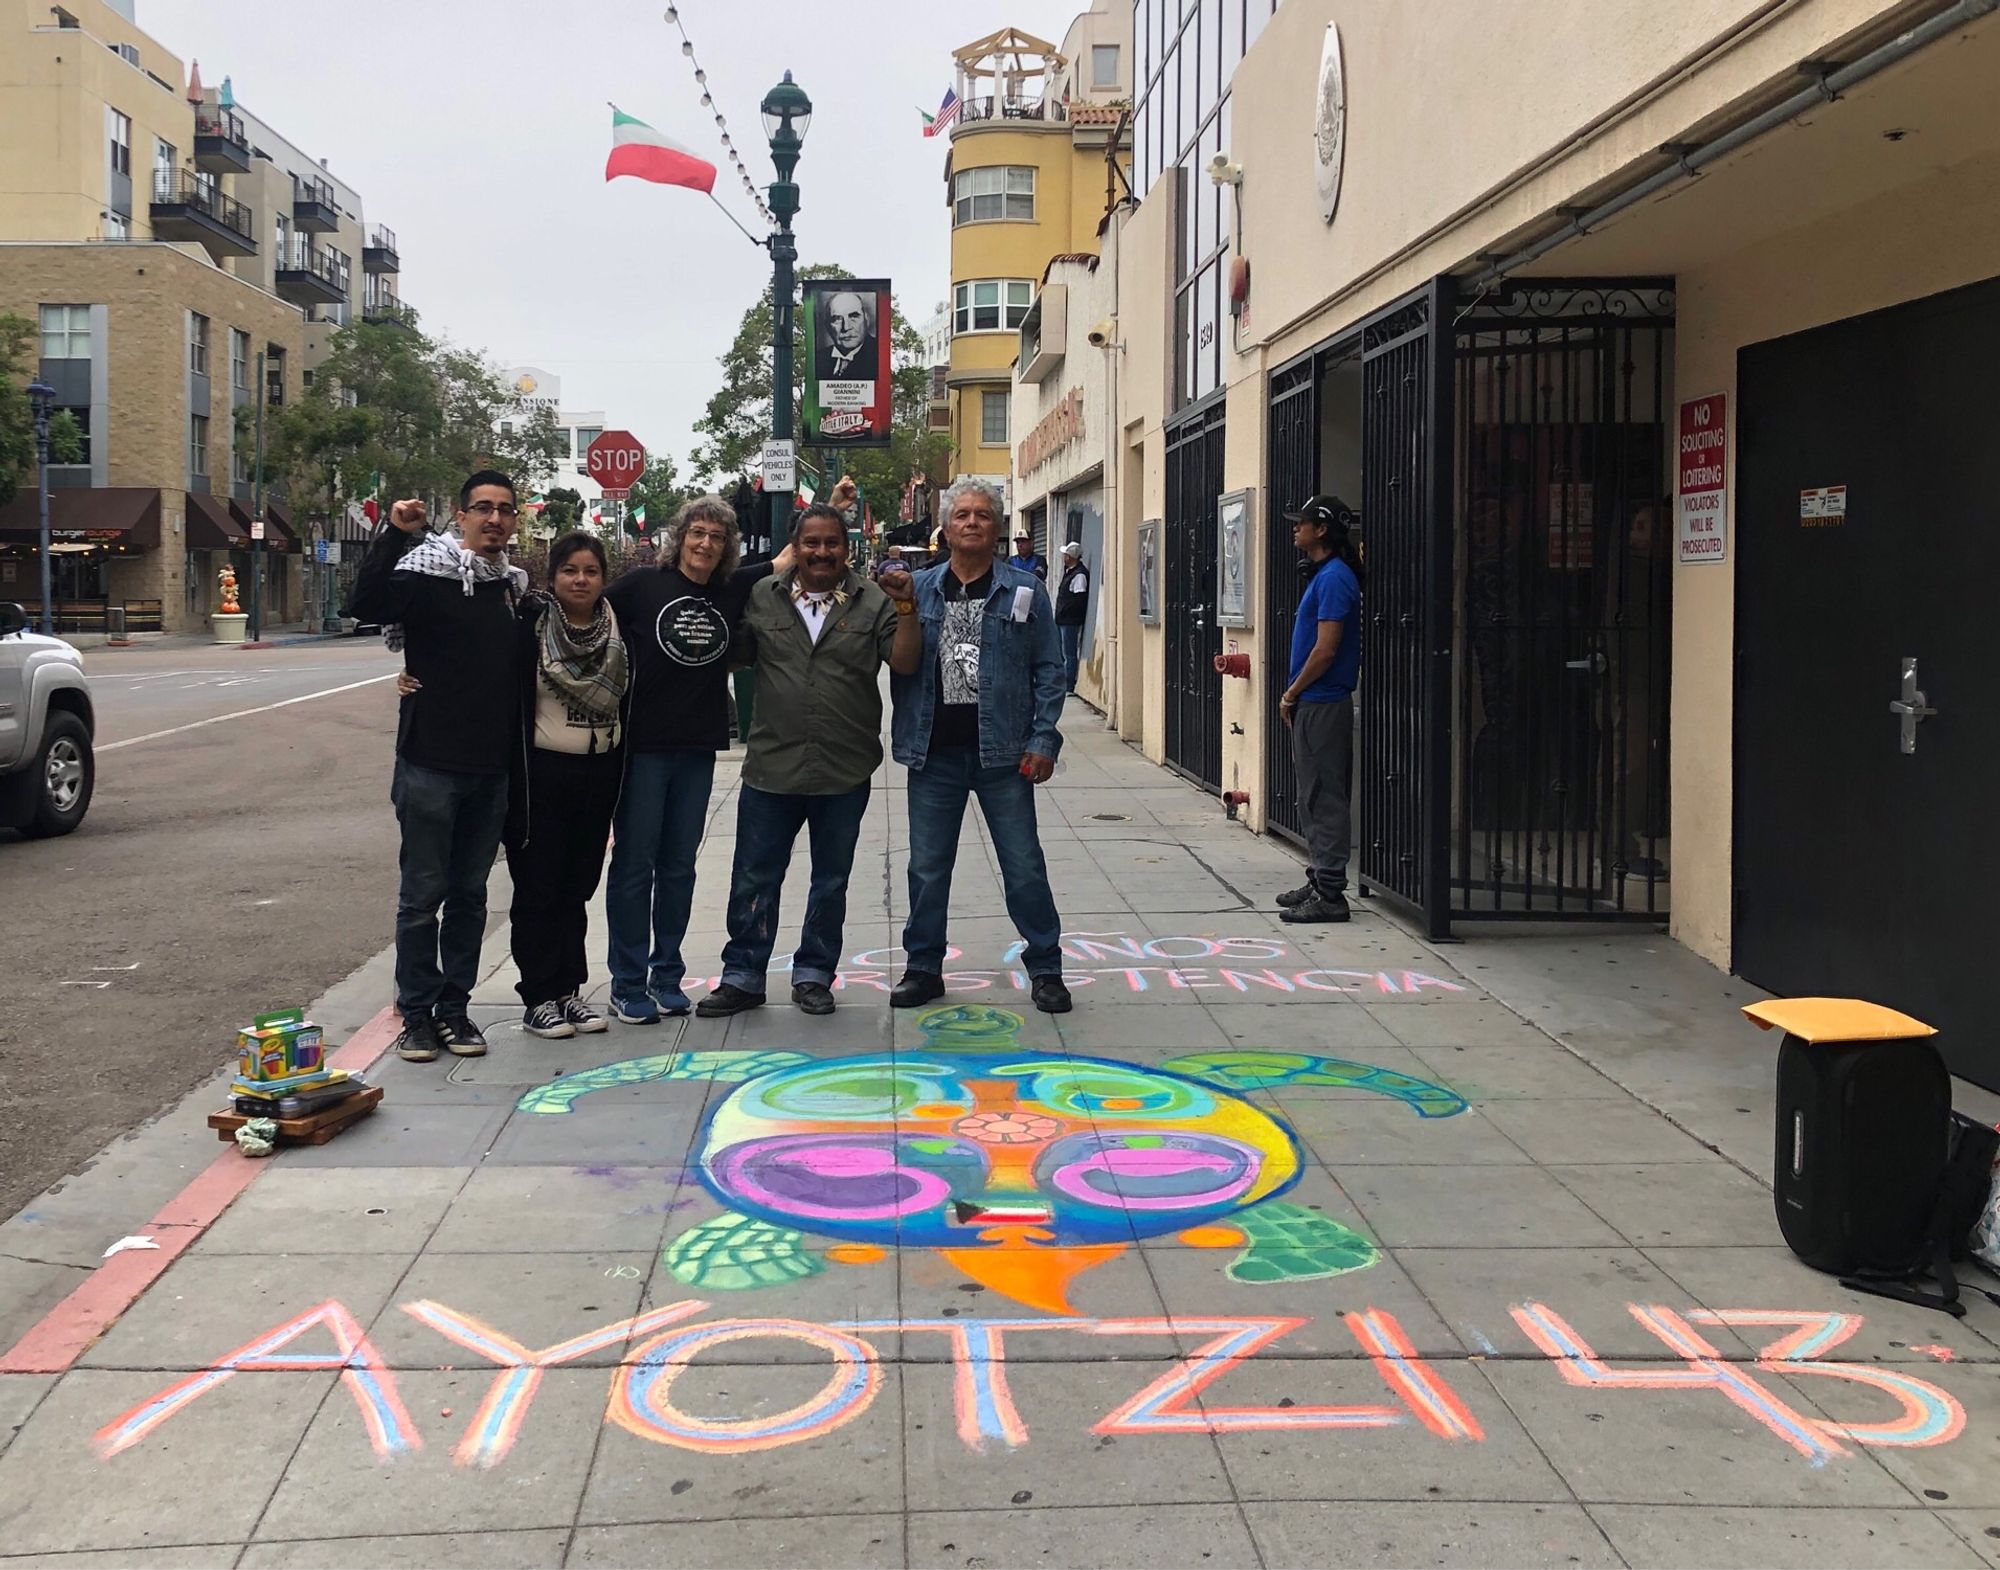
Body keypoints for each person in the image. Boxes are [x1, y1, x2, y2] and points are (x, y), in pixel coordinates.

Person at [697, 505, 924, 1018]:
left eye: (831, 544)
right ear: (795, 548)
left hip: (844, 768)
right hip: (771, 766)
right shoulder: (762, 597)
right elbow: (732, 655)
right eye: (811, 543)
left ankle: (815, 973)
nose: (821, 553)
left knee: (831, 880)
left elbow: (905, 662)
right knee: (754, 877)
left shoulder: (873, 601)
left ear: (846, 548)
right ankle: (743, 975)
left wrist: (907, 609)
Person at [346, 471, 526, 1063]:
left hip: (490, 768)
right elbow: (365, 604)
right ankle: (416, 1015)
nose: (493, 519)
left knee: (471, 895)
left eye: (504, 510)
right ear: (461, 513)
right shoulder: (425, 574)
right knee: (422, 896)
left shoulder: (513, 590)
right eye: (483, 509)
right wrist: (393, 536)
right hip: (428, 763)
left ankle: (455, 1009)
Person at [888, 479, 1071, 1014]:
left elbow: (1050, 670)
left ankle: (1046, 967)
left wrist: (1044, 739)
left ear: (998, 527)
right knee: (926, 867)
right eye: (962, 514)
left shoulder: (1024, 590)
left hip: (1005, 756)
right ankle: (923, 967)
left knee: (1023, 865)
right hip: (933, 754)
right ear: (945, 528)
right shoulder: (917, 589)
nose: (971, 522)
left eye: (983, 515)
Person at [600, 496, 783, 1024]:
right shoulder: (641, 586)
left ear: (728, 547)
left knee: (679, 866)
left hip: (698, 748)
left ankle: (666, 974)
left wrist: (833, 500)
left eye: (717, 537)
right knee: (635, 865)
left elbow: (785, 559)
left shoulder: (728, 590)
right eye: (697, 533)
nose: (705, 543)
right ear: (678, 537)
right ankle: (627, 981)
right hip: (641, 748)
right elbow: (579, 611)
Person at [1275, 494, 1363, 924]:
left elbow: (1326, 650)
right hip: (1315, 702)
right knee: (1311, 793)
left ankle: (1330, 895)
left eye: (1302, 522)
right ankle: (1319, 876)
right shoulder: (1324, 576)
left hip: (1323, 702)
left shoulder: (1334, 579)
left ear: (1322, 530)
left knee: (1324, 794)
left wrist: (1292, 693)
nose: (1295, 528)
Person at [814, 291, 877, 381]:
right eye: (837, 319)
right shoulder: (818, 360)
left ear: (866, 319)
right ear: (827, 326)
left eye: (854, 316)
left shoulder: (878, 355)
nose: (846, 327)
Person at [1053, 539, 1090, 693]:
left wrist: (1065, 611)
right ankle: (1063, 681)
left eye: (1066, 554)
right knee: (1062, 652)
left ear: (1071, 557)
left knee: (1069, 653)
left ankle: (1069, 685)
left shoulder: (1079, 575)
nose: (1063, 557)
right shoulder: (1070, 572)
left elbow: (1078, 600)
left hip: (1070, 621)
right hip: (1063, 619)